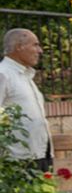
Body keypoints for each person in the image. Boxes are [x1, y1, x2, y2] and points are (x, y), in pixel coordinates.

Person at [1, 28, 50, 171]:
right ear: (19, 47)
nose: (40, 50)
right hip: (17, 160)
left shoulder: (26, 75)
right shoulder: (3, 74)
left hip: (39, 154)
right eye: (35, 45)